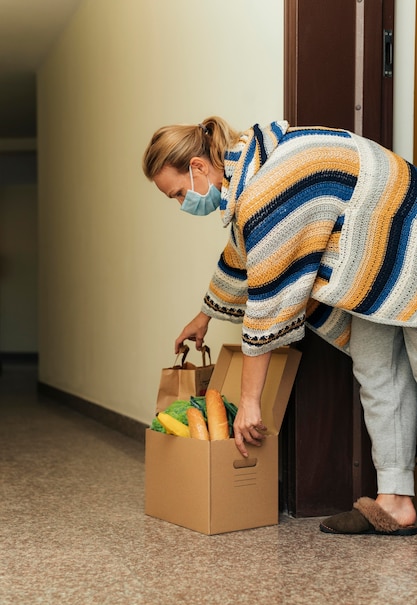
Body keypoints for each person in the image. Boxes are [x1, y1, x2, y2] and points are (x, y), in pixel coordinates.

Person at [142, 116, 417, 536]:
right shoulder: (248, 175)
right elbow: (242, 256)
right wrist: (205, 315)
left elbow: (270, 304)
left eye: (178, 193)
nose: (182, 203)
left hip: (406, 237)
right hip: (370, 263)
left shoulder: (268, 187)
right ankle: (395, 501)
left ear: (197, 166)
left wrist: (250, 403)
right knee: (376, 371)